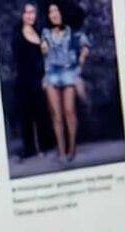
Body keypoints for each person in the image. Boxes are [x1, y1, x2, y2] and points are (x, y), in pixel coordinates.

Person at [41, 2, 90, 164]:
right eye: (50, 12)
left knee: (69, 111)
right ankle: (61, 150)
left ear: (63, 13)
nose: (53, 14)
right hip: (51, 74)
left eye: (56, 10)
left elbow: (85, 47)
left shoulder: (73, 32)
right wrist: (43, 48)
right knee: (56, 115)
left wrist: (80, 63)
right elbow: (44, 48)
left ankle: (72, 147)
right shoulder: (46, 33)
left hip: (69, 72)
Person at [13, 3, 52, 160]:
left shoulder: (40, 32)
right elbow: (18, 59)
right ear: (22, 15)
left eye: (33, 12)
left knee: (41, 112)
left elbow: (46, 56)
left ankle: (44, 145)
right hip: (24, 79)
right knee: (27, 115)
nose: (30, 16)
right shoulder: (17, 34)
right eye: (27, 13)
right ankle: (29, 149)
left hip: (40, 78)